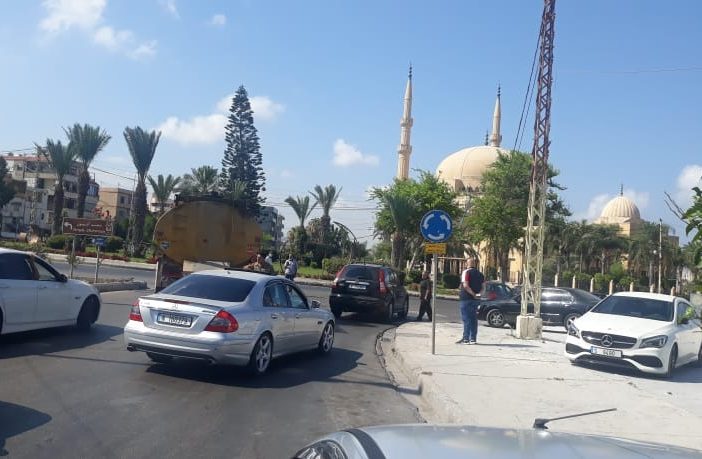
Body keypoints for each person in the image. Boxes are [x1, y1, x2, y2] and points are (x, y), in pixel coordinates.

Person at [457, 257, 484, 344]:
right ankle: (473, 338)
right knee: (473, 319)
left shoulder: (466, 272)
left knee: (466, 319)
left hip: (466, 298)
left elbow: (465, 285)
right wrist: (478, 294)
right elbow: (483, 287)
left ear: (467, 264)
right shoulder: (480, 274)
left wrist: (473, 294)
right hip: (476, 300)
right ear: (474, 264)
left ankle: (466, 338)